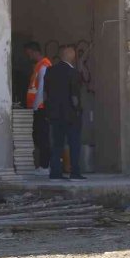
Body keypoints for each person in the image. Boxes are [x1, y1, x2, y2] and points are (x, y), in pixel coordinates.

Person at [44, 45, 85, 180]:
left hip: (55, 115)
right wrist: (78, 110)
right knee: (74, 144)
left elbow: (46, 94)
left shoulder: (50, 71)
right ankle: (75, 172)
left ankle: (55, 172)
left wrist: (48, 112)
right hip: (71, 115)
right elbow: (74, 96)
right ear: (72, 57)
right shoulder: (73, 73)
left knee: (57, 145)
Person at [24, 42, 52, 176]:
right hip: (38, 107)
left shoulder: (44, 66)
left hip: (41, 108)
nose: (28, 56)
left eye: (29, 53)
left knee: (43, 137)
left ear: (34, 51)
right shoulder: (38, 66)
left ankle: (45, 166)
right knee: (38, 136)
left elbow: (41, 88)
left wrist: (36, 106)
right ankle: (43, 165)